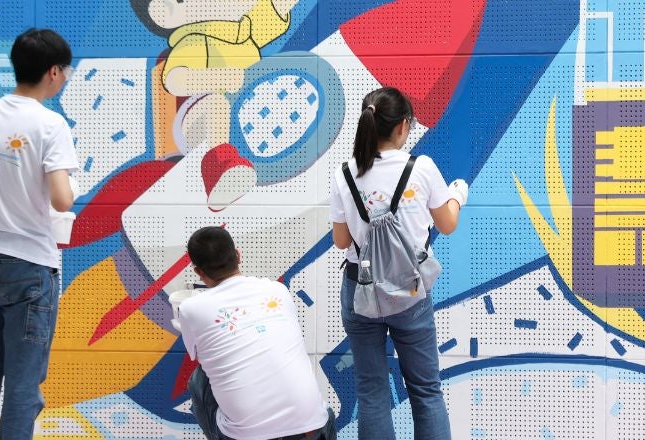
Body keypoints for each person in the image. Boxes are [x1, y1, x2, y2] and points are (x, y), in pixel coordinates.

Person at [0, 28, 79, 439]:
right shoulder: (50, 124)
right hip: (29, 265)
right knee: (22, 385)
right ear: (54, 72)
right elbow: (62, 199)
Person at [329, 87, 468, 440]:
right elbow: (447, 224)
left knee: (371, 392)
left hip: (360, 290)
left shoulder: (345, 174)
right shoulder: (421, 168)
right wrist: (456, 195)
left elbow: (342, 241)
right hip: (410, 289)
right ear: (403, 126)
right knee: (425, 389)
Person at [175, 226, 335, 440]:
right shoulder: (277, 290)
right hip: (314, 429)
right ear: (238, 255)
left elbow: (197, 355)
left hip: (247, 435)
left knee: (200, 377)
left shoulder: (191, 308)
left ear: (198, 272)